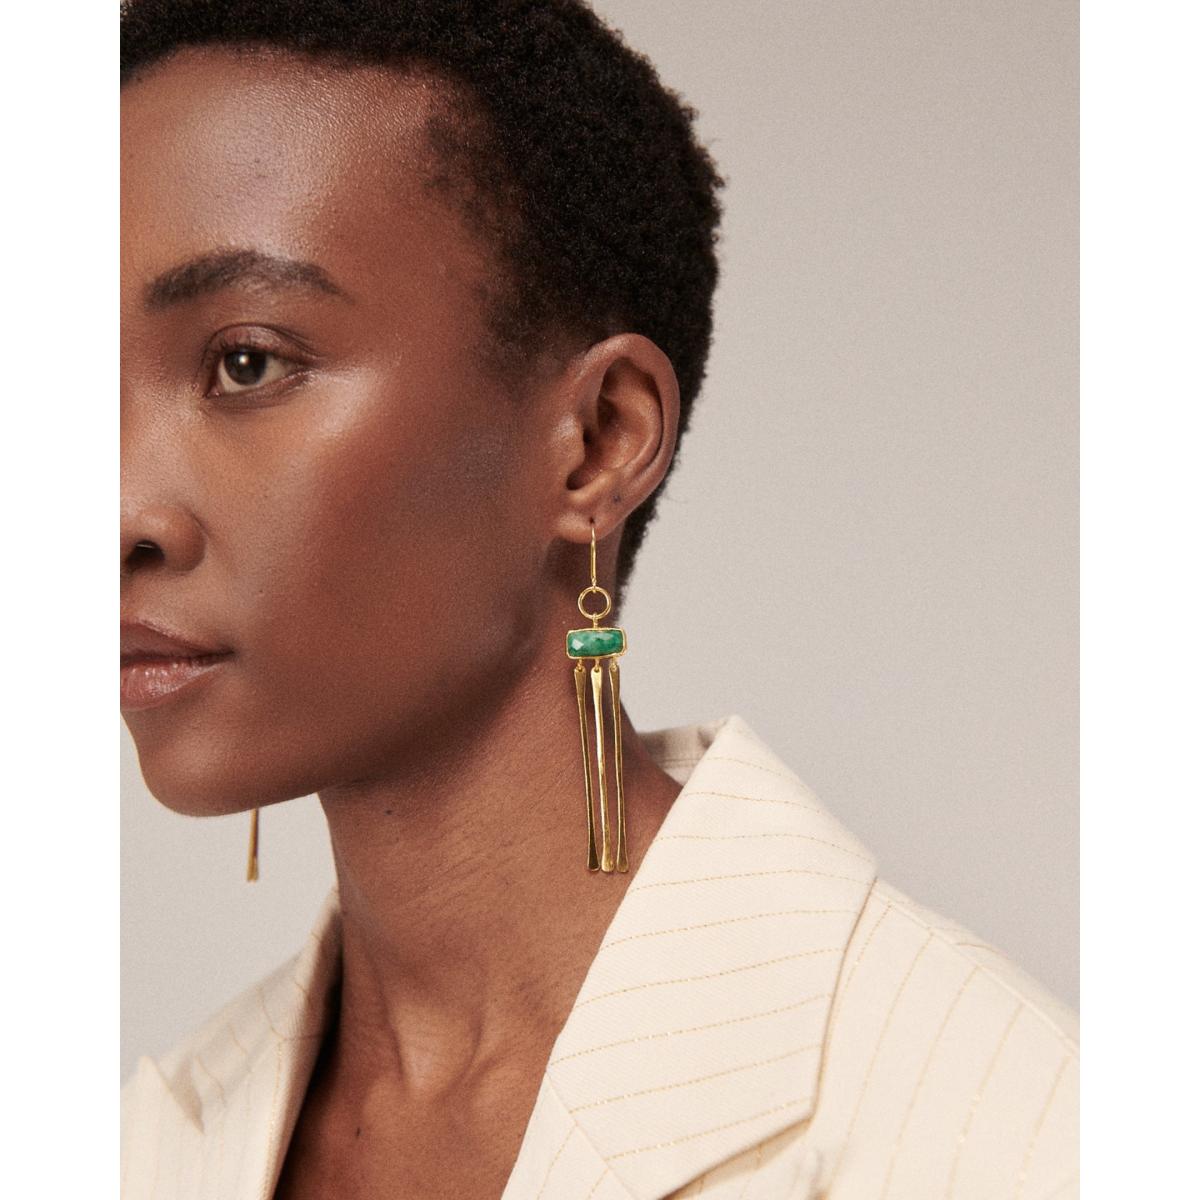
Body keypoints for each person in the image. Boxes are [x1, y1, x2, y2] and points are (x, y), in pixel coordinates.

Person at [120, 2, 1078, 1197]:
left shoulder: (1013, 1137)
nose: (116, 511)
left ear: (597, 443)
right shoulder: (136, 1150)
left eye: (247, 362)